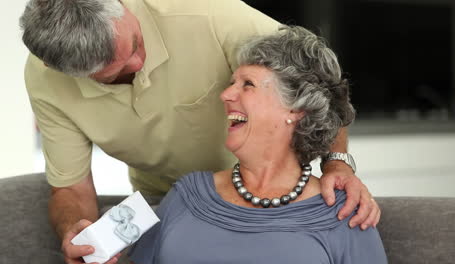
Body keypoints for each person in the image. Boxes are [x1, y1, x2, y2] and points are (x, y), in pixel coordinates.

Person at [19, 0, 380, 263]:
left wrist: (337, 166)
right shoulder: (183, 198)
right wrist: (81, 237)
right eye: (115, 72)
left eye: (135, 45)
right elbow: (70, 186)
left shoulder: (209, 14)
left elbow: (321, 81)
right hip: (171, 199)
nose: (139, 64)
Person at [128, 25, 386, 264]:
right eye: (232, 83)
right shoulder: (186, 196)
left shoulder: (346, 212)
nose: (226, 95)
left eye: (247, 85)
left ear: (296, 109)